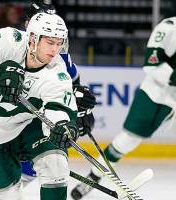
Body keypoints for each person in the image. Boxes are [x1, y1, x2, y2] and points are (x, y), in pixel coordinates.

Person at [0, 12, 79, 200]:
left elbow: (58, 108)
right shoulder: (10, 39)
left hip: (29, 128)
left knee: (55, 163)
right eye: (50, 42)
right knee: (8, 196)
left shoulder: (57, 75)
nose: (55, 50)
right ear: (32, 38)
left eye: (59, 43)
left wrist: (62, 126)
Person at [71, 16, 176, 199]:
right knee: (126, 140)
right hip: (156, 95)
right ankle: (94, 177)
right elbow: (152, 64)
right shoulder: (169, 28)